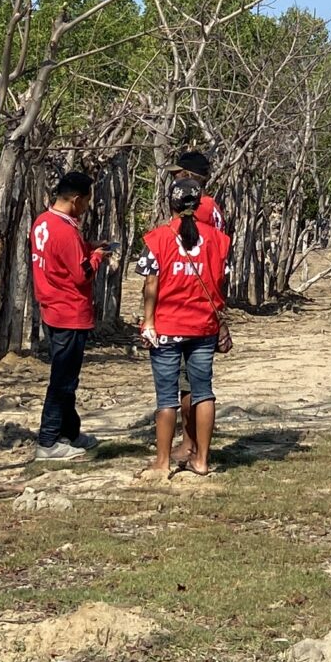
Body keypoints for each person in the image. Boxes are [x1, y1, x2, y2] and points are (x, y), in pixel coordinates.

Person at [138, 176, 230, 479]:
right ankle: (202, 460)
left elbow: (150, 284)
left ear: (170, 203)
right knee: (203, 392)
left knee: (166, 398)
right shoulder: (217, 239)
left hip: (166, 327)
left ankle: (162, 462)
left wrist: (148, 322)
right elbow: (221, 281)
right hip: (203, 327)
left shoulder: (157, 239)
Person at [30, 167, 106, 462]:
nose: (87, 207)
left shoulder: (43, 222)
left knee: (67, 378)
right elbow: (81, 274)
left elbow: (60, 257)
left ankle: (70, 432)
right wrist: (97, 257)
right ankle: (48, 441)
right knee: (62, 380)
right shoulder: (65, 230)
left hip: (52, 308)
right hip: (70, 311)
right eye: (86, 201)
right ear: (75, 199)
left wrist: (87, 247)